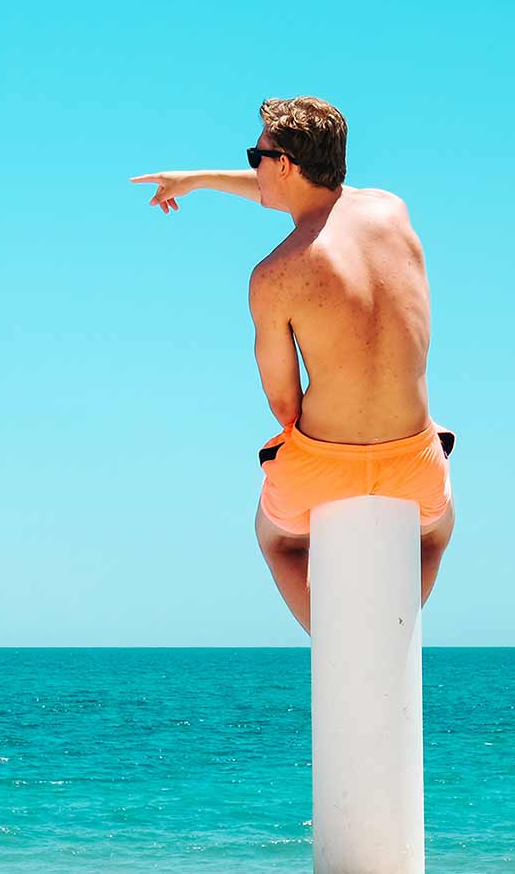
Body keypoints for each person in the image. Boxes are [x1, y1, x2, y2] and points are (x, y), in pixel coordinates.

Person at [132, 96, 454, 632]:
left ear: (283, 165)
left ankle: (336, 636)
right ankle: (392, 631)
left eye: (257, 157)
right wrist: (199, 179)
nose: (254, 167)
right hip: (413, 461)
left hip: (322, 468)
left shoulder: (275, 274)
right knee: (438, 531)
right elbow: (311, 199)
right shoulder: (393, 213)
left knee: (276, 541)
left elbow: (285, 405)